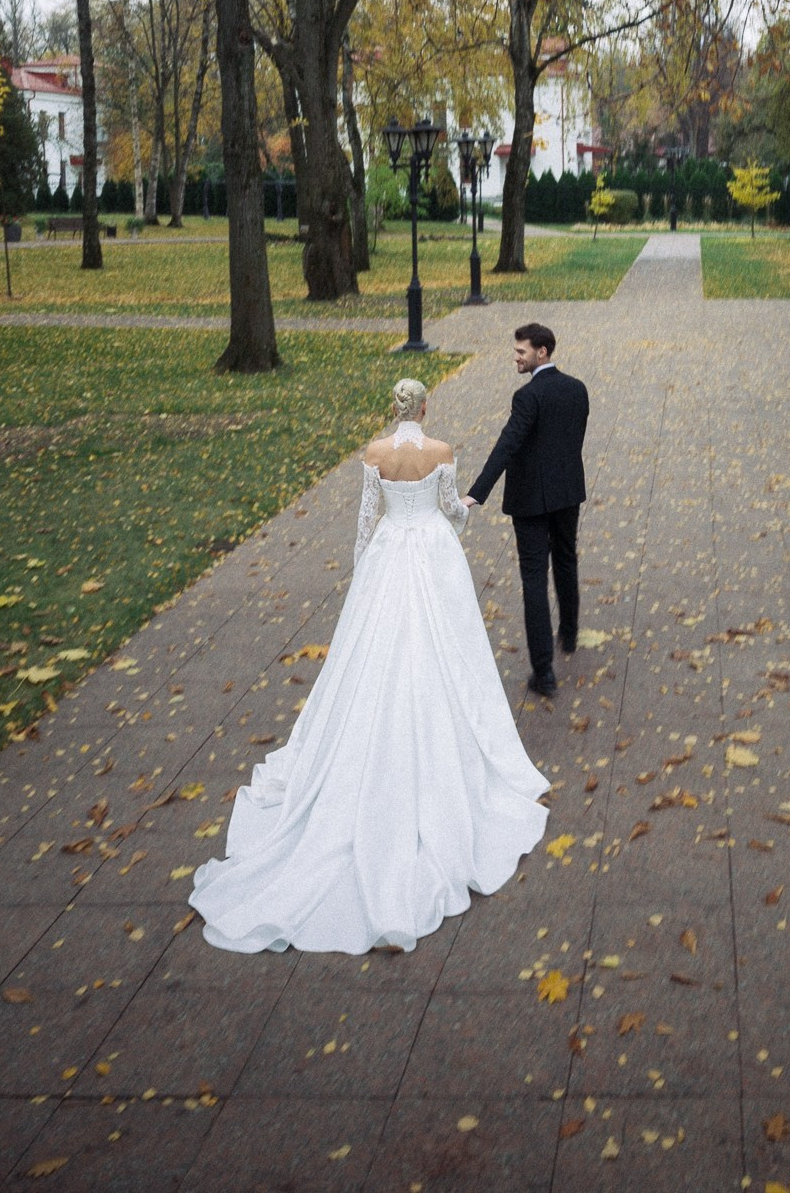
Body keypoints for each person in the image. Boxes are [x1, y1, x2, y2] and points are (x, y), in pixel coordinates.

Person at [188, 379, 548, 954]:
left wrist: (365, 575)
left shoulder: (376, 454)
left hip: (390, 554)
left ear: (394, 409)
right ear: (425, 407)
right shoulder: (443, 451)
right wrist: (457, 522)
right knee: (446, 651)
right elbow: (451, 510)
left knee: (375, 652)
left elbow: (365, 520)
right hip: (430, 551)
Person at [463, 321, 589, 698]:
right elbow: (572, 439)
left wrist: (475, 494)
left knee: (534, 579)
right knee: (566, 561)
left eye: (521, 352)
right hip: (567, 493)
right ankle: (568, 634)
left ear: (542, 353)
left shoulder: (527, 397)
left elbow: (508, 445)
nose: (515, 357)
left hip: (531, 501)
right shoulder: (577, 389)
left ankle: (544, 673)